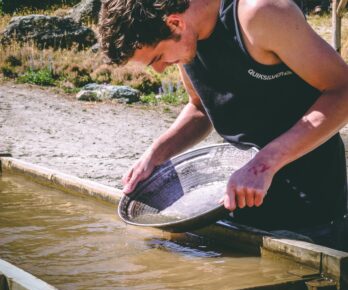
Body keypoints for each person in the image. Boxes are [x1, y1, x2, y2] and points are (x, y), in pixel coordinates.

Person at [99, 0, 348, 250]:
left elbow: (342, 91)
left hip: (310, 208)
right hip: (236, 202)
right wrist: (156, 154)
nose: (161, 69)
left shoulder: (261, 13)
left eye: (158, 58)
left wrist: (265, 163)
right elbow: (200, 108)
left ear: (175, 22)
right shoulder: (187, 39)